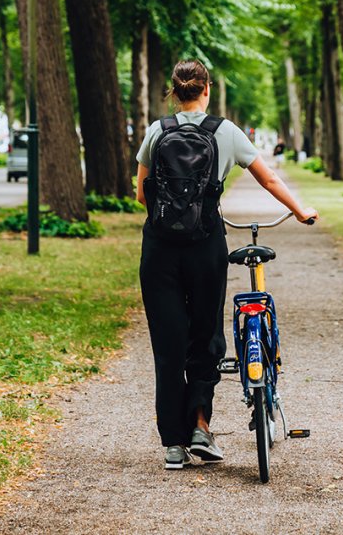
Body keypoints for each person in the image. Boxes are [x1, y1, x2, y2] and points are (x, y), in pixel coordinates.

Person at [135, 59, 317, 470]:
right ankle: (201, 425)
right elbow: (268, 179)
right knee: (205, 337)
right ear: (207, 90)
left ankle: (173, 446)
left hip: (160, 251)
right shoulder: (225, 132)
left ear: (174, 93)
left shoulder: (157, 131)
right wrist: (301, 210)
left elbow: (142, 197)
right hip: (205, 246)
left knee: (168, 348)